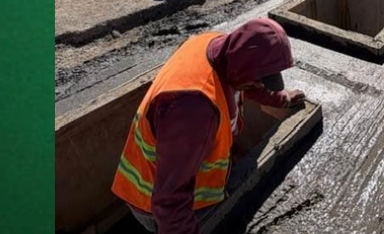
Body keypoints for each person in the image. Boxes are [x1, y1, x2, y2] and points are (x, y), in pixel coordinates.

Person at [111, 18, 306, 234]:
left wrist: (282, 99)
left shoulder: (214, 45)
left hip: (174, 171)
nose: (258, 84)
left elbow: (248, 83)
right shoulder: (193, 108)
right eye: (257, 79)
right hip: (151, 200)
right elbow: (170, 202)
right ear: (242, 67)